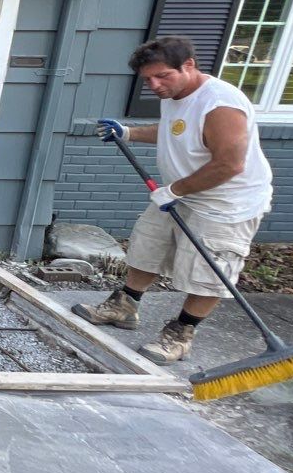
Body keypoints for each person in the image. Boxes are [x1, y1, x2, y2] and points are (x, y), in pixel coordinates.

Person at [73, 35, 273, 365]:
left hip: (225, 204)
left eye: (162, 76)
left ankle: (182, 334)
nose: (154, 85)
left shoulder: (221, 104)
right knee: (147, 245)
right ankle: (125, 305)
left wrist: (175, 190)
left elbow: (229, 164)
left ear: (189, 65)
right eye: (148, 79)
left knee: (207, 271)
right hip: (182, 192)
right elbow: (174, 128)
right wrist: (129, 132)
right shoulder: (174, 94)